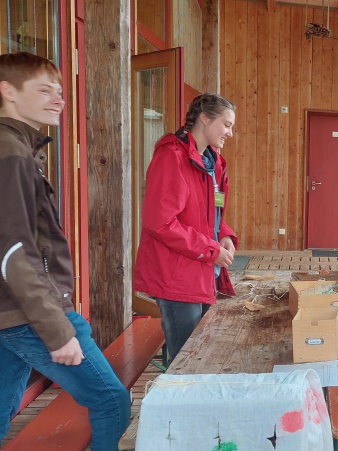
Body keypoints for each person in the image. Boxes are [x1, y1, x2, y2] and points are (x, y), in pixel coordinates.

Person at [0, 52, 130, 449]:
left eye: (59, 91)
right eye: (44, 90)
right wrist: (57, 330)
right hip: (31, 312)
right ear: (7, 91)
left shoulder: (17, 146)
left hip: (12, 311)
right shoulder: (11, 152)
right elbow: (12, 252)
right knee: (111, 399)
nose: (58, 99)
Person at [134, 93, 239, 364]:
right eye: (226, 125)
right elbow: (161, 222)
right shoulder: (172, 157)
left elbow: (210, 210)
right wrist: (211, 249)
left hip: (202, 270)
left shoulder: (210, 160)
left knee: (199, 353)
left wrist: (224, 233)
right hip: (177, 277)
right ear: (204, 118)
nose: (230, 133)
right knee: (185, 360)